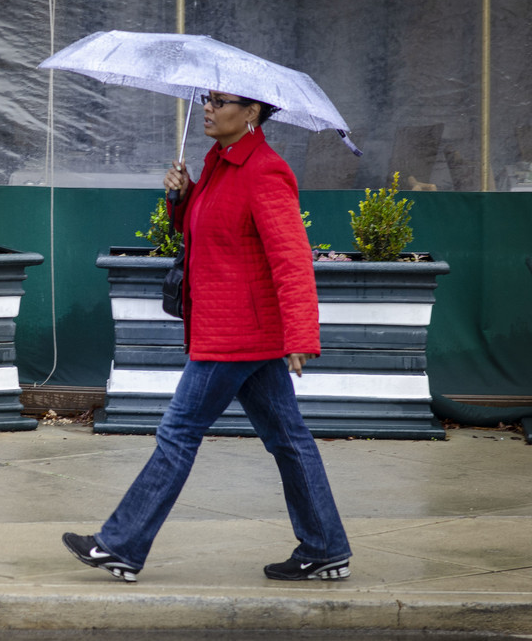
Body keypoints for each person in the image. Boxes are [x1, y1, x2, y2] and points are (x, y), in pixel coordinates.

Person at [63, 90, 351, 583]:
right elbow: (213, 231)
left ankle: (121, 546)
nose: (209, 109)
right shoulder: (219, 163)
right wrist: (182, 197)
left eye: (221, 102)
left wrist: (301, 334)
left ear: (253, 112)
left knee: (177, 433)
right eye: (208, 100)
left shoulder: (265, 171)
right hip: (235, 328)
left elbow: (291, 258)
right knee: (288, 439)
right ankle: (325, 546)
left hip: (235, 331)